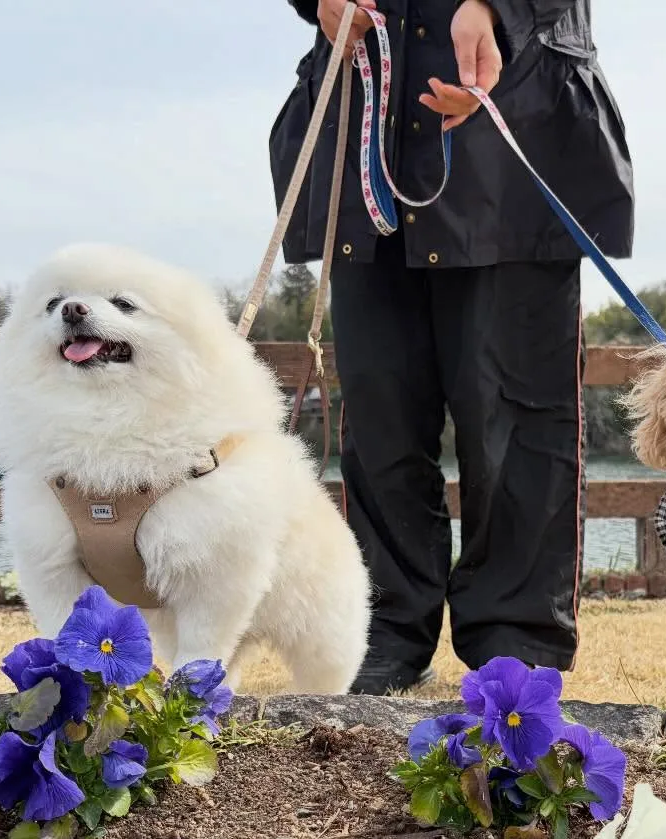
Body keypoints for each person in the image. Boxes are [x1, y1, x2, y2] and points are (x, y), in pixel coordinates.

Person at [271, 0, 633, 694]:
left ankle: (516, 637)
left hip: (512, 110)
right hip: (369, 119)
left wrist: (498, 6)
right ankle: (379, 628)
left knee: (514, 411)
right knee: (378, 408)